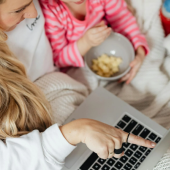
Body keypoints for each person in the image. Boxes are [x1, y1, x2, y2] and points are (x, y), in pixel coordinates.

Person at [0, 0, 156, 169]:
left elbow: (121, 16)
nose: (35, 13)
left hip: (61, 90)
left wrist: (139, 45)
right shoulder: (53, 11)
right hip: (42, 126)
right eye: (20, 9)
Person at [40, 0, 149, 84]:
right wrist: (85, 42)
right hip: (74, 67)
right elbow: (58, 58)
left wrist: (139, 51)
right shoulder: (51, 12)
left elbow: (123, 18)